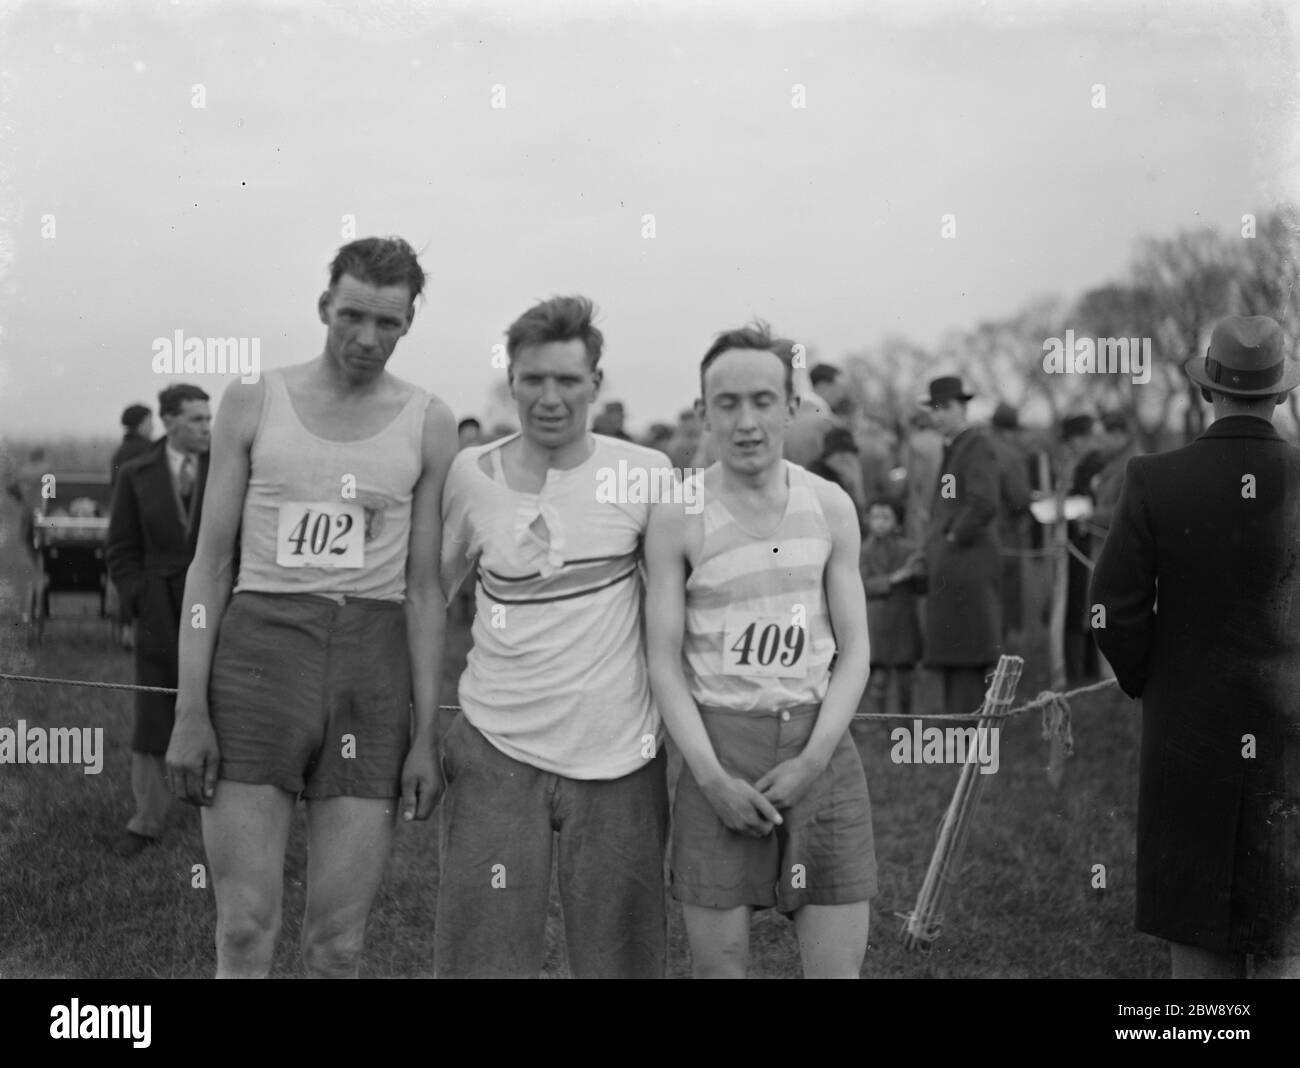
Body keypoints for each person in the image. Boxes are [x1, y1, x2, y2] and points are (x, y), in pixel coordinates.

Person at [165, 237, 457, 978]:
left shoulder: (428, 420)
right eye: (352, 315)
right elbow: (211, 566)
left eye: (387, 323)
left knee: (338, 946)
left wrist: (426, 733)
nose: (367, 338)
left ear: (408, 323)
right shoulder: (254, 399)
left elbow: (425, 589)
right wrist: (188, 709)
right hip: (260, 657)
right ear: (324, 306)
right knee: (244, 929)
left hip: (371, 665)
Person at [437, 295, 669, 979]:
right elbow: (426, 593)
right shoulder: (469, 474)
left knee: (622, 961)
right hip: (494, 749)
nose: (549, 397)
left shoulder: (647, 471)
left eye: (568, 380)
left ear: (596, 383)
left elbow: (674, 614)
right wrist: (422, 730)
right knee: (483, 959)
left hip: (621, 757)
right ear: (510, 381)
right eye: (532, 379)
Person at [645, 321, 876, 979]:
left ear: (793, 407)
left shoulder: (830, 505)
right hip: (718, 756)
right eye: (728, 403)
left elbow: (855, 652)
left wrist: (813, 759)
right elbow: (663, 660)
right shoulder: (677, 514)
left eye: (763, 401)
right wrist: (711, 778)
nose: (746, 422)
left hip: (820, 753)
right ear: (703, 412)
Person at [1090, 315, 1300, 979]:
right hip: (1291, 732)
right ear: (1281, 395)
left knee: (1197, 931)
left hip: (1187, 731)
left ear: (1210, 390)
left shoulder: (1154, 476)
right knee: (1283, 934)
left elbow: (1110, 610)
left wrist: (1157, 680)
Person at [105, 384, 210, 856]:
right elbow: (121, 547)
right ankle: (146, 820)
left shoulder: (228, 467)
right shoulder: (135, 473)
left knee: (222, 701)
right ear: (168, 421)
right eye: (196, 419)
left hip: (214, 604)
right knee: (154, 707)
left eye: (209, 419)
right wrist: (139, 596)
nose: (207, 428)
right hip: (157, 606)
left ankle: (220, 812)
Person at [922, 375, 1001, 718]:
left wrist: (954, 536)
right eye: (934, 408)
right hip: (953, 563)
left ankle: (967, 733)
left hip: (967, 563)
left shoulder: (976, 444)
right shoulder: (954, 446)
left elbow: (984, 502)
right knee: (956, 652)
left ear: (963, 407)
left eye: (946, 408)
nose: (938, 415)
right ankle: (959, 728)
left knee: (967, 651)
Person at [859, 498, 924, 723]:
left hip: (903, 620)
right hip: (876, 623)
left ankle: (906, 720)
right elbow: (863, 584)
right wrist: (894, 579)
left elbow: (922, 587)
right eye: (875, 517)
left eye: (885, 517)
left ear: (897, 522)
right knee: (879, 677)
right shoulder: (863, 551)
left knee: (906, 677)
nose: (879, 523)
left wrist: (918, 573)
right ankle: (881, 723)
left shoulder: (910, 550)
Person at [1061, 413, 1105, 684]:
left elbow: (1090, 498)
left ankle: (1080, 671)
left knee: (1080, 602)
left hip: (1085, 539)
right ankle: (1082, 669)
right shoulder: (1080, 462)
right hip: (1076, 539)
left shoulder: (1093, 463)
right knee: (1078, 602)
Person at [989, 402, 1032, 650]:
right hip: (1005, 536)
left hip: (979, 535)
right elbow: (1019, 499)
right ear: (1010, 430)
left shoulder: (978, 448)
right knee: (1005, 600)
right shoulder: (1012, 455)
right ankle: (1000, 656)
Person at [111, 404, 155, 486]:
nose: (152, 427)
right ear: (139, 425)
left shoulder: (121, 451)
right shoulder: (149, 450)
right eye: (149, 422)